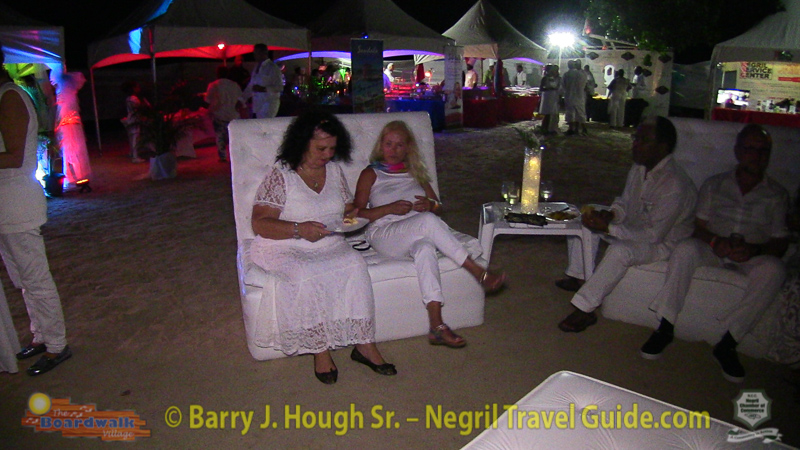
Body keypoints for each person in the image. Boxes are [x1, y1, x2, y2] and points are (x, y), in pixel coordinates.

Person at [250, 110, 395, 384]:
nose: (328, 154)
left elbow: (347, 209)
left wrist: (353, 216)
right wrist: (298, 229)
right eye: (321, 148)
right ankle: (320, 349)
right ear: (303, 143)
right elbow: (260, 223)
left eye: (332, 148)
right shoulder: (281, 175)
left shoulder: (334, 170)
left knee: (355, 265)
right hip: (284, 245)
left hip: (328, 240)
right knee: (305, 273)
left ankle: (364, 344)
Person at [640, 124, 789, 383]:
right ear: (738, 151)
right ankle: (665, 325)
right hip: (715, 248)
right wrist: (714, 241)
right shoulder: (715, 184)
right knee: (685, 249)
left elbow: (780, 241)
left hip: (752, 255)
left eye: (763, 150)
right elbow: (697, 227)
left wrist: (755, 249)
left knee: (775, 270)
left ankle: (729, 342)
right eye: (750, 149)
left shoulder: (777, 194)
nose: (756, 155)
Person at [353, 121, 507, 348]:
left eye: (399, 145)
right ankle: (478, 272)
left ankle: (437, 325)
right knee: (427, 221)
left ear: (408, 148)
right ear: (380, 145)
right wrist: (389, 209)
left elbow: (438, 206)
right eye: (388, 144)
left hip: (416, 232)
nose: (393, 150)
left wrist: (430, 205)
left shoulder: (415, 173)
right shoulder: (371, 173)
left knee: (425, 248)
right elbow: (356, 214)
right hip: (384, 233)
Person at [556, 116, 697, 333]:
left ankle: (585, 308)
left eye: (643, 140)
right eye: (636, 138)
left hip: (663, 244)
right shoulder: (640, 167)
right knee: (587, 214)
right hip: (636, 227)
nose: (636, 144)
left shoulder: (674, 184)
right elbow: (625, 202)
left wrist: (609, 228)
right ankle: (578, 274)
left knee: (620, 250)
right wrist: (611, 214)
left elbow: (653, 235)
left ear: (663, 147)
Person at [0, 45, 71, 376]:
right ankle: (41, 335)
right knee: (22, 278)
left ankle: (57, 344)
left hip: (16, 201)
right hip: (7, 203)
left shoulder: (10, 97)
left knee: (35, 278)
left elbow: (15, 157)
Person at [54, 71, 92, 185]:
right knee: (71, 150)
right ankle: (75, 175)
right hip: (70, 125)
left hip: (69, 125)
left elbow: (64, 110)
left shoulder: (66, 94)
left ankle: (75, 175)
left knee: (71, 150)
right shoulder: (68, 94)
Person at [204, 66, 244, 162]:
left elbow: (207, 100)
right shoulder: (235, 85)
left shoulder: (213, 85)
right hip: (233, 115)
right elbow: (241, 100)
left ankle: (223, 156)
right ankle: (235, 155)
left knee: (220, 136)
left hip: (219, 114)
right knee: (233, 137)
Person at [242, 43, 283, 119]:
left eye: (256, 53)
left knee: (266, 125)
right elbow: (251, 86)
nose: (254, 55)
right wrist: (242, 99)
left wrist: (263, 89)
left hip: (269, 105)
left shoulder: (273, 68)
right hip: (258, 106)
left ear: (263, 53)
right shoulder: (256, 67)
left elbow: (280, 87)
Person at [120, 80, 149, 163]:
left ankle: (132, 153)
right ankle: (135, 157)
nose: (139, 88)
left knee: (131, 138)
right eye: (137, 87)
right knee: (135, 138)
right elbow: (139, 108)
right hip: (134, 119)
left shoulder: (129, 98)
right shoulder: (134, 99)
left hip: (130, 119)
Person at [562, 60, 587, 136]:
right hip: (580, 95)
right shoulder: (582, 74)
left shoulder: (566, 74)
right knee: (580, 112)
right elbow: (585, 84)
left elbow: (563, 85)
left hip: (569, 96)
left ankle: (571, 129)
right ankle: (582, 128)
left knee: (571, 113)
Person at [538, 65, 562, 135]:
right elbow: (541, 88)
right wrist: (549, 89)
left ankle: (552, 128)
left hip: (554, 97)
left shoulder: (558, 79)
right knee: (547, 114)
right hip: (547, 97)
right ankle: (545, 128)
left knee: (554, 113)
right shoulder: (545, 78)